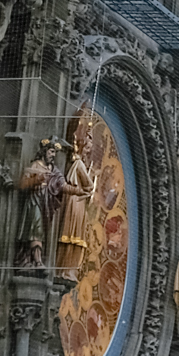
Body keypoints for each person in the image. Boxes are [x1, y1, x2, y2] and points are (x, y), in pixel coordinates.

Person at [56, 115, 99, 275]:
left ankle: (69, 269)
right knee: (72, 235)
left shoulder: (81, 164)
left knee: (76, 236)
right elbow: (88, 185)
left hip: (78, 202)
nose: (89, 149)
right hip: (75, 202)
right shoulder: (79, 164)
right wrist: (92, 179)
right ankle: (66, 269)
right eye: (88, 146)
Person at [14, 141, 64, 271]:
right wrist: (37, 179)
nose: (53, 155)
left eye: (55, 153)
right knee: (36, 229)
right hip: (34, 202)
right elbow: (23, 184)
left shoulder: (53, 169)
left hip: (45, 205)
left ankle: (30, 259)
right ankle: (37, 261)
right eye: (51, 152)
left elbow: (62, 185)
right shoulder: (35, 165)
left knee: (40, 231)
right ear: (44, 151)